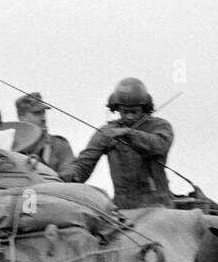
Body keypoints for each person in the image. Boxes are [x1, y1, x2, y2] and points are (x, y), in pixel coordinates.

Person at [62, 78, 174, 208]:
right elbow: (85, 163)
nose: (129, 116)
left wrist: (129, 134)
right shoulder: (107, 132)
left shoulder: (160, 126)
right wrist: (70, 175)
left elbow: (160, 144)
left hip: (158, 204)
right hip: (123, 207)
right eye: (125, 111)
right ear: (117, 110)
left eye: (134, 112)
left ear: (144, 109)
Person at [14, 92, 74, 177]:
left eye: (43, 113)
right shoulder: (11, 146)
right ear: (21, 117)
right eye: (36, 114)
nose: (43, 119)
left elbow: (70, 177)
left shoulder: (59, 145)